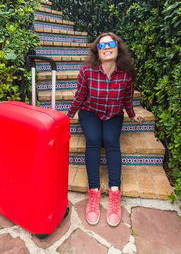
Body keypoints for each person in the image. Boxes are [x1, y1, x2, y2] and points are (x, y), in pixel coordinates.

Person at [67, 32, 144, 227]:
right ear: (97, 51)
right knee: (93, 140)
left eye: (111, 44)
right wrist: (68, 115)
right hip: (90, 112)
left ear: (118, 48)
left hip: (113, 114)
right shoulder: (87, 72)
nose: (107, 48)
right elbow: (80, 95)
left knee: (111, 141)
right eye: (102, 46)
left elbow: (127, 99)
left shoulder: (126, 75)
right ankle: (93, 192)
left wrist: (132, 115)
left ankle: (114, 192)